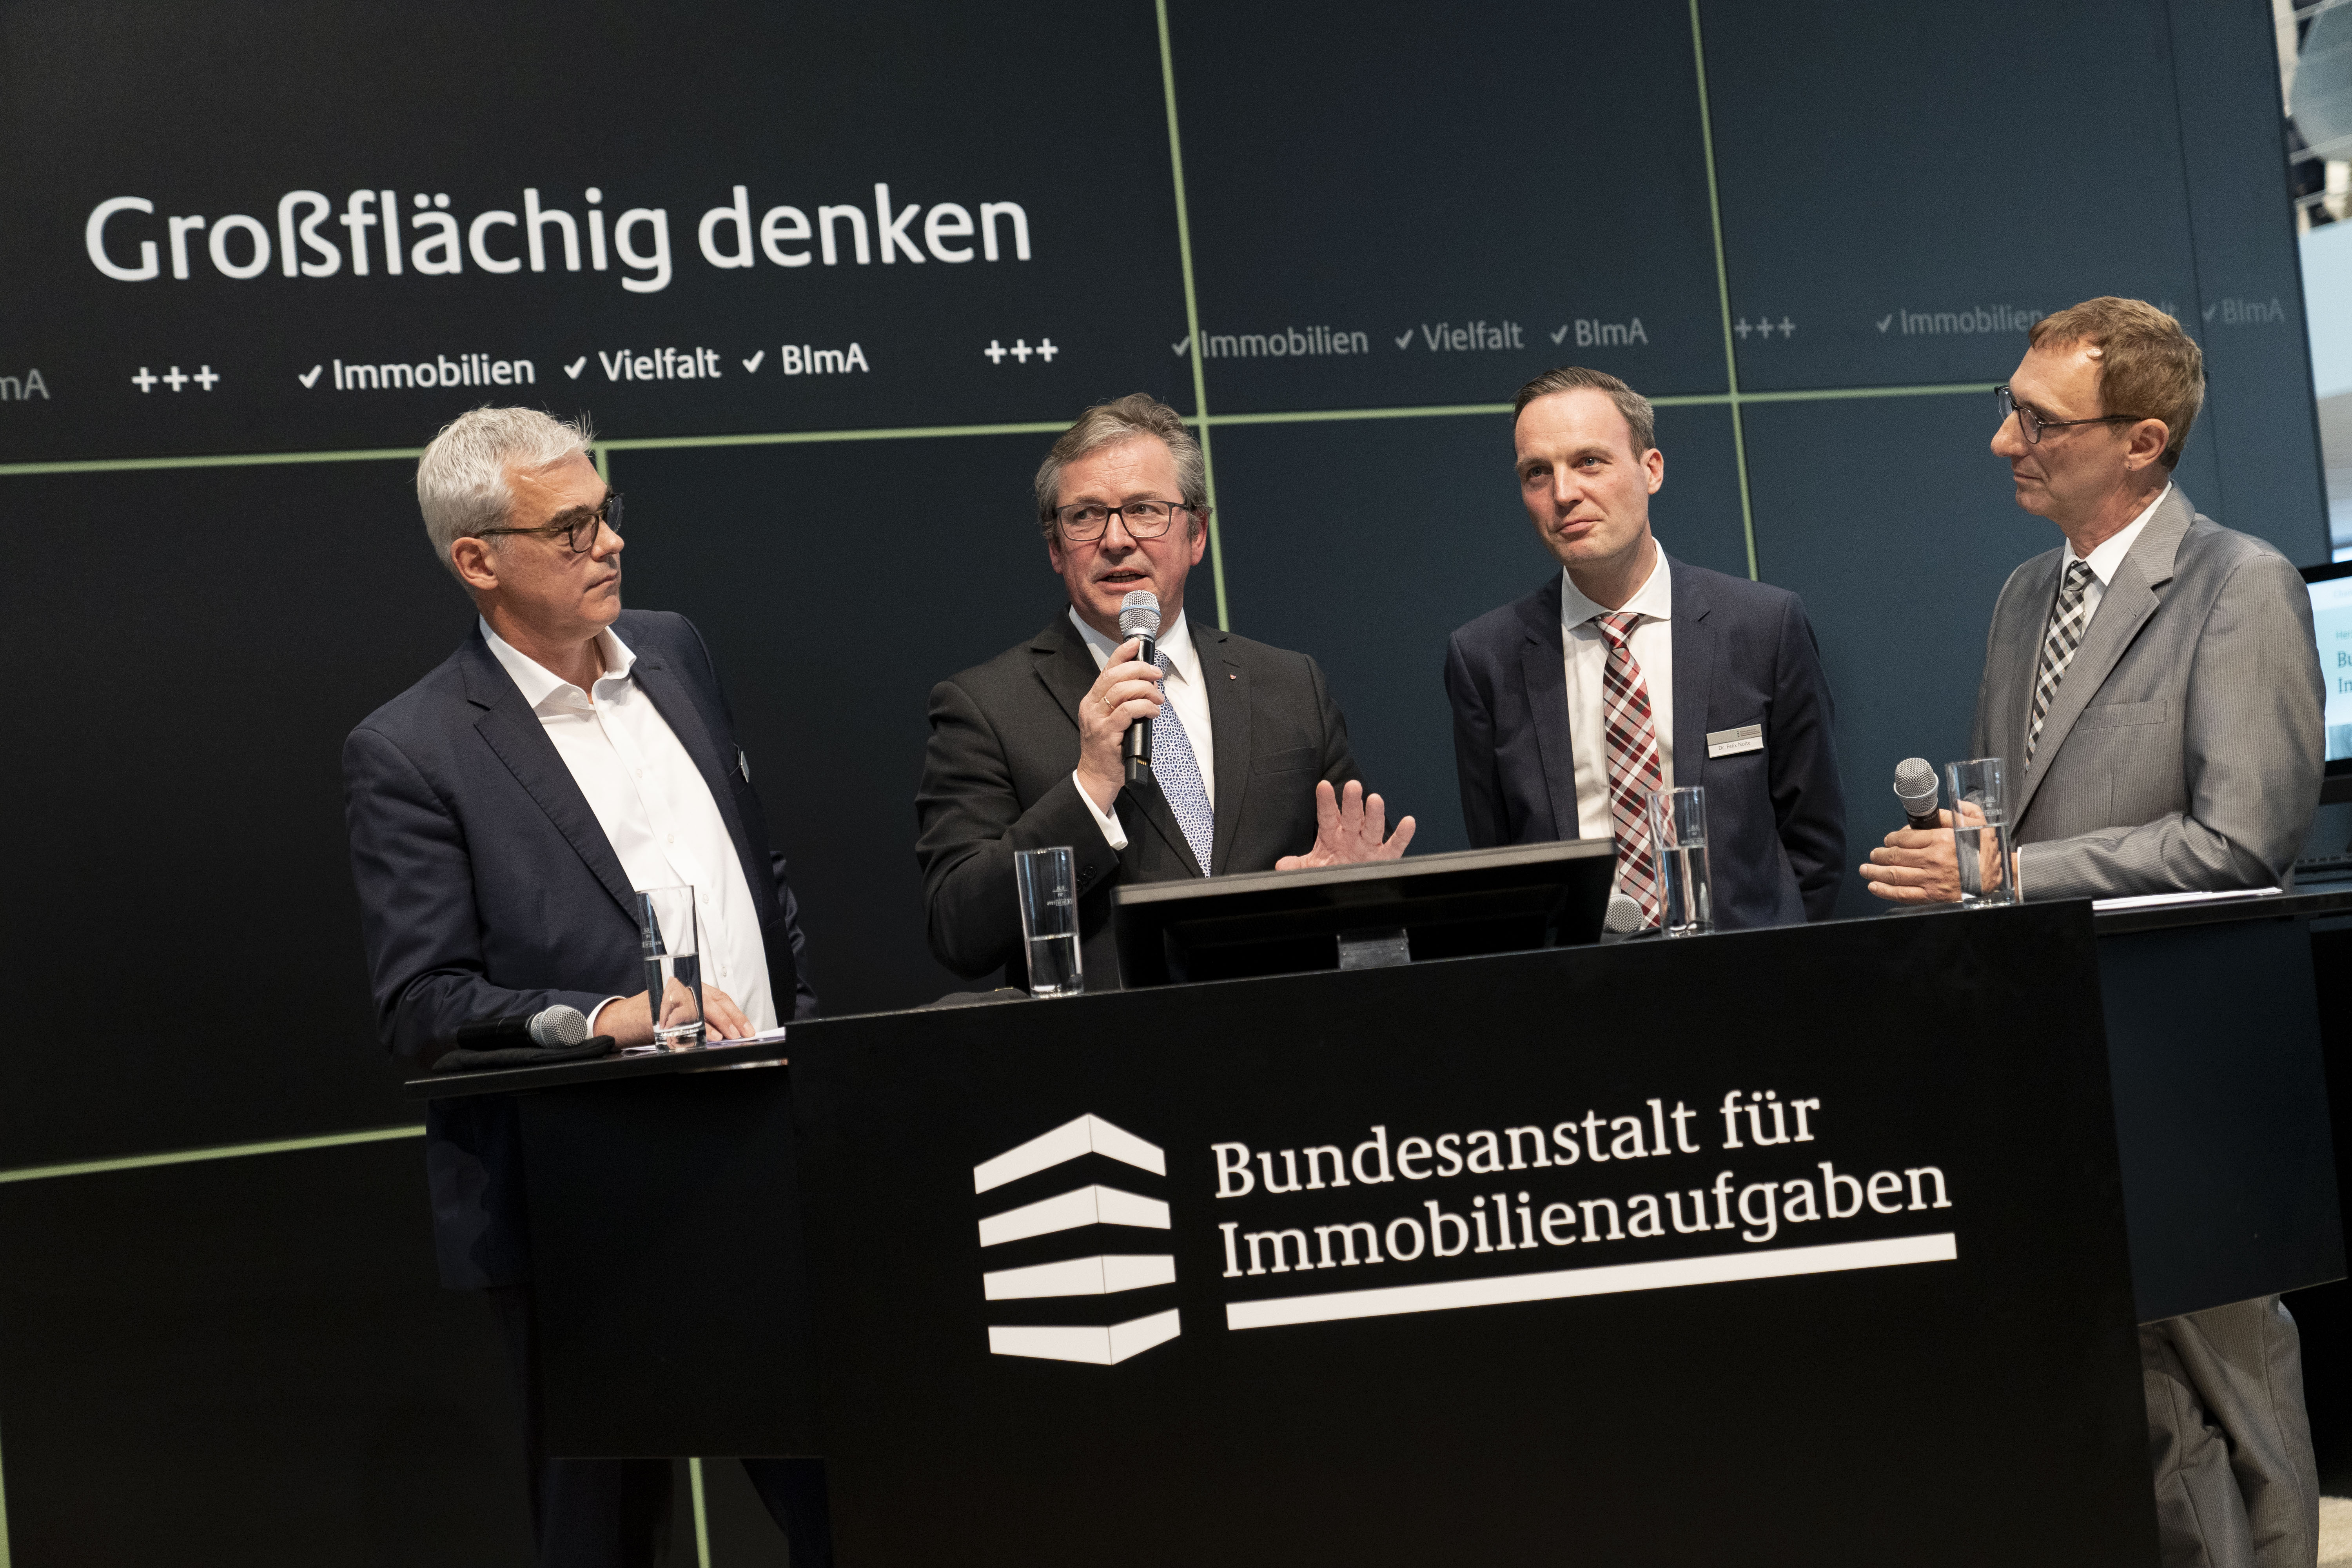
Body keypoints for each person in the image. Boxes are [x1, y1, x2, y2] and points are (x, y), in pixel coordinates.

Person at [1859, 297, 2326, 1568]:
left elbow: (2244, 844)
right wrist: (1966, 859)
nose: (2002, 440)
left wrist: (2011, 871)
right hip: (2055, 1054)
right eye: (2011, 405)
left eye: (2034, 418)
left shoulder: (2244, 586)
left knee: (2236, 1390)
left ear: (2143, 442)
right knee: (2143, 1408)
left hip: (2184, 1065)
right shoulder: (2025, 596)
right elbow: (2020, 814)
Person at [342, 407, 829, 1568]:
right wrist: (606, 1020)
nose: (608, 541)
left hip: (773, 1150)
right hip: (586, 1204)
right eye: (570, 528)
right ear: (479, 560)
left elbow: (755, 870)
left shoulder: (676, 651)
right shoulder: (411, 750)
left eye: (607, 512)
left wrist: (796, 1016)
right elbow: (423, 1003)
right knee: (605, 1537)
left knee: (856, 1499)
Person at [916, 392, 1413, 986]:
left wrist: (1347, 895)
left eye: (1144, 510)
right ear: (1055, 548)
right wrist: (1089, 788)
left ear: (1197, 534)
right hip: (1113, 1060)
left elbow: (1347, 890)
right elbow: (960, 930)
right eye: (1085, 516)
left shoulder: (1290, 685)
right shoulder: (986, 708)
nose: (1117, 539)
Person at [1444, 366, 1846, 929]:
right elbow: (1503, 862)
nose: (1564, 494)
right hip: (1583, 991)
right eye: (1538, 473)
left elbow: (1815, 844)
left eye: (1590, 462)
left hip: (1749, 981)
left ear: (1650, 469)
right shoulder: (1485, 657)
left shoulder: (1764, 626)